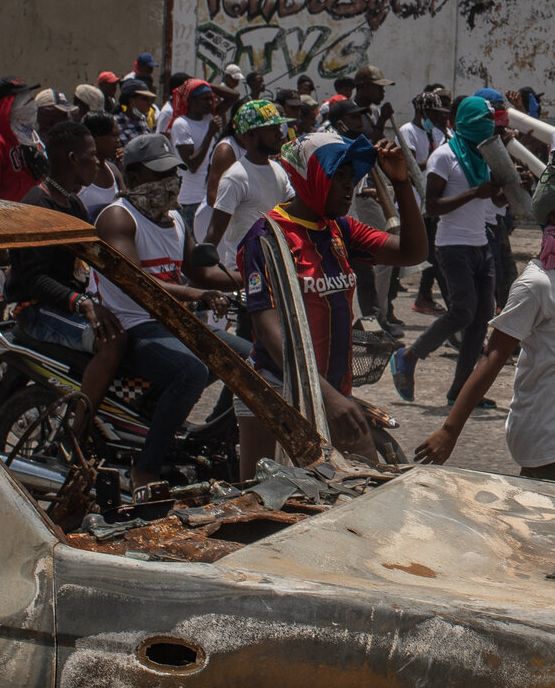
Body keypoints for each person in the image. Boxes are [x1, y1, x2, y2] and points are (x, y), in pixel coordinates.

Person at [417, 151, 555, 484]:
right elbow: (492, 360)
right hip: (546, 428)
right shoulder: (535, 284)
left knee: (540, 523)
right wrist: (450, 431)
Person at [239, 129, 427, 471]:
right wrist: (329, 399)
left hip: (334, 393)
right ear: (307, 177)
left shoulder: (340, 229)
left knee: (362, 494)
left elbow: (412, 252)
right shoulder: (267, 237)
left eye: (350, 176)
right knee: (270, 502)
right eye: (336, 176)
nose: (348, 185)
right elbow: (268, 332)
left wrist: (402, 184)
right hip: (278, 390)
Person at [93, 132, 247, 494]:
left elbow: (201, 271)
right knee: (191, 370)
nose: (170, 183)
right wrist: (199, 294)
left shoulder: (175, 219)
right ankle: (144, 469)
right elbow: (137, 282)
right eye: (158, 175)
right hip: (132, 327)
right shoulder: (118, 218)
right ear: (132, 178)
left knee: (249, 357)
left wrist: (254, 276)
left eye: (173, 174)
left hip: (172, 324)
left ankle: (211, 436)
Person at [6, 120, 125, 429]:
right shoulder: (37, 207)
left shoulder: (72, 203)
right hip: (35, 310)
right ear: (74, 159)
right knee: (112, 340)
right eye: (92, 155)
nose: (99, 162)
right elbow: (33, 279)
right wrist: (83, 303)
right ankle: (79, 430)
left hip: (65, 304)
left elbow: (91, 259)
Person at [392, 94, 506, 408]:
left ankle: (460, 391)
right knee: (463, 311)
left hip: (480, 244)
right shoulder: (445, 157)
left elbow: (496, 202)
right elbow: (432, 207)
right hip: (453, 245)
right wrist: (475, 192)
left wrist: (506, 188)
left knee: (482, 317)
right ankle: (408, 355)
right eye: (484, 121)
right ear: (468, 122)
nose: (490, 127)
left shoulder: (484, 156)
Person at [203, 99, 294, 271]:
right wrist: (202, 273)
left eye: (278, 128)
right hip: (245, 270)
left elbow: (293, 209)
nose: (279, 134)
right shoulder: (236, 177)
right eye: (271, 129)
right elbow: (214, 232)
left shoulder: (278, 170)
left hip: (276, 267)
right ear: (249, 134)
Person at [164, 78, 219, 241]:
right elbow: (192, 164)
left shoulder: (208, 119)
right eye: (205, 99)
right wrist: (210, 134)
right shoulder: (181, 124)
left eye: (211, 98)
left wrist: (205, 84)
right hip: (191, 199)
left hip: (208, 196)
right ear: (192, 101)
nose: (210, 103)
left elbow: (234, 96)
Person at [0, 77, 41, 200]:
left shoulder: (31, 138)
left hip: (35, 214)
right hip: (10, 217)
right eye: (24, 99)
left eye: (30, 98)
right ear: (8, 105)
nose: (31, 104)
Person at [80, 112, 124, 217]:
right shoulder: (78, 173)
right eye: (114, 135)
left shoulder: (113, 170)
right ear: (95, 138)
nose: (118, 141)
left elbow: (126, 206)